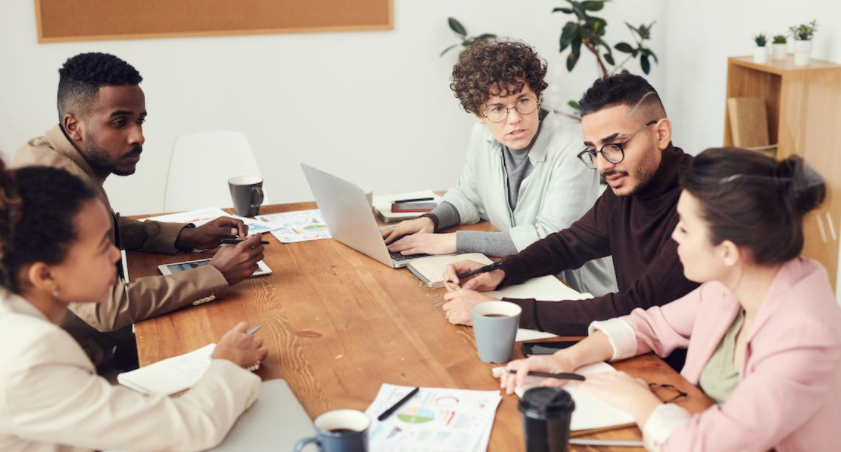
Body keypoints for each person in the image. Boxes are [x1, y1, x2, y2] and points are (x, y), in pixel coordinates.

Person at [500, 148, 841, 452]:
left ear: (728, 252)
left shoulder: (804, 340)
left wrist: (637, 399)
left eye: (686, 229)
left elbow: (700, 444)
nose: (675, 236)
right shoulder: (737, 282)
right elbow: (650, 324)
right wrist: (566, 360)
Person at [12, 52, 265, 371]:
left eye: (139, 120)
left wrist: (186, 236)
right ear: (73, 125)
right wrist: (215, 274)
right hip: (83, 368)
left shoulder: (50, 154)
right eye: (119, 122)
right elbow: (107, 309)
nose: (138, 137)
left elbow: (100, 228)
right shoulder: (52, 188)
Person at [0, 160, 269, 451]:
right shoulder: (33, 355)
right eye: (102, 246)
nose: (117, 255)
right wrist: (227, 363)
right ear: (45, 275)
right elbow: (187, 429)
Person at [442, 74, 699, 337]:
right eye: (594, 150)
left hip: (679, 367)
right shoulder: (628, 187)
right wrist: (500, 272)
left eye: (616, 145)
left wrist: (501, 310)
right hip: (637, 344)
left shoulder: (700, 205)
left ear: (661, 133)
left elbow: (636, 306)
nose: (603, 165)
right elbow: (568, 245)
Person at [381, 39, 615, 296]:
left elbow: (551, 237)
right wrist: (430, 220)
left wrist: (450, 242)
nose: (514, 119)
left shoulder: (572, 147)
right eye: (497, 109)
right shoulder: (482, 135)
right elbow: (468, 196)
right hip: (516, 274)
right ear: (478, 115)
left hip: (570, 290)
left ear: (538, 96)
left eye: (523, 100)